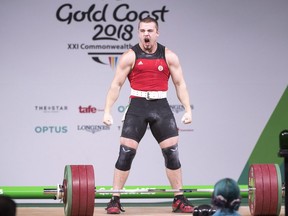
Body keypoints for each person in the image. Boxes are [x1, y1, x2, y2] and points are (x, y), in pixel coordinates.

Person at [103, 16, 193, 214]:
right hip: (137, 106)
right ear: (138, 33)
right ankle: (114, 199)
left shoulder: (169, 56)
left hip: (161, 106)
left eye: (150, 31)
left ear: (157, 33)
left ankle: (179, 198)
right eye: (142, 31)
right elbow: (116, 85)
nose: (146, 34)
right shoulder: (130, 56)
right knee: (125, 153)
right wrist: (107, 110)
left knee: (172, 153)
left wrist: (187, 109)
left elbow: (180, 84)